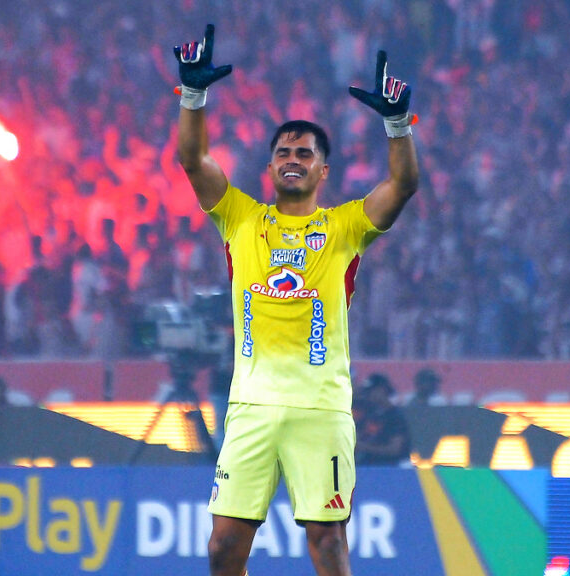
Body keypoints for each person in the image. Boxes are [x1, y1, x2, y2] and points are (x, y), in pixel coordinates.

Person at [173, 24, 419, 576]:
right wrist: (193, 97)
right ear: (269, 167)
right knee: (222, 548)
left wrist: (397, 125)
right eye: (283, 151)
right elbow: (193, 159)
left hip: (322, 409)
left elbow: (402, 185)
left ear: (322, 170)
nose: (293, 158)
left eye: (305, 153)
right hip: (251, 407)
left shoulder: (345, 226)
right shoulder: (240, 216)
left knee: (328, 545)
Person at [354, 373, 412, 466]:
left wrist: (364, 447)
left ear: (382, 390)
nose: (368, 395)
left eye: (371, 391)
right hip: (369, 465)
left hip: (392, 467)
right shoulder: (371, 414)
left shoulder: (396, 416)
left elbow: (395, 449)